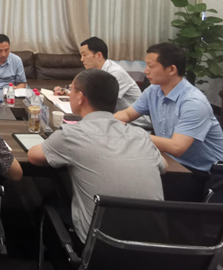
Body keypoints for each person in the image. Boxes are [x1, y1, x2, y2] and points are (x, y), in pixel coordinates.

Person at [28, 69, 166, 244]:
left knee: (49, 203)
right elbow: (163, 166)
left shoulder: (72, 134)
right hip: (153, 246)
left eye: (71, 90)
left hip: (99, 247)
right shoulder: (141, 135)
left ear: (80, 97)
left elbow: (33, 156)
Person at [115, 43, 223, 176]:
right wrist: (106, 122)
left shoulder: (193, 102)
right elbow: (127, 114)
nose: (146, 71)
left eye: (151, 66)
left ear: (171, 69)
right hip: (171, 160)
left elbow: (177, 147)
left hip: (204, 172)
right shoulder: (153, 90)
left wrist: (132, 133)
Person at [55, 37, 151, 128]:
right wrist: (66, 91)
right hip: (114, 119)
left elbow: (95, 101)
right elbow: (86, 92)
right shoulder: (97, 72)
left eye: (84, 55)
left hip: (135, 123)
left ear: (98, 55)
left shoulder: (115, 73)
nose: (81, 59)